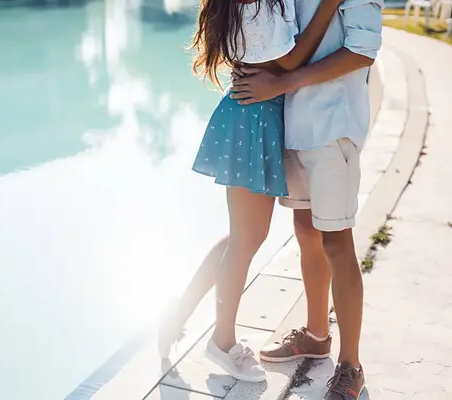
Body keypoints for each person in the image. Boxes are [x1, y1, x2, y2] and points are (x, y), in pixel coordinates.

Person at [158, 0, 344, 383]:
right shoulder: (256, 4)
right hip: (252, 118)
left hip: (256, 115)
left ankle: (179, 314)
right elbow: (290, 63)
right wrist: (329, 7)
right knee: (246, 239)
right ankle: (222, 343)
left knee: (240, 237)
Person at [229, 0, 383, 397]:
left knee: (336, 240)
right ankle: (317, 335)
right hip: (293, 124)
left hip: (333, 127)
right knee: (305, 231)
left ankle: (352, 365)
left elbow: (362, 52)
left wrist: (281, 83)